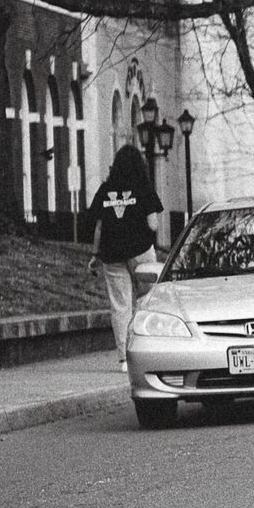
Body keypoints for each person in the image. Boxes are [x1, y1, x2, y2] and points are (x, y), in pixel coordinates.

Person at [87, 144, 165, 370]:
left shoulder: (105, 189)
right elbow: (152, 224)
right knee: (148, 300)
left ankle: (124, 358)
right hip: (140, 251)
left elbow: (99, 228)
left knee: (120, 305)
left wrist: (95, 255)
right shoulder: (144, 188)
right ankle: (147, 350)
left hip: (112, 254)